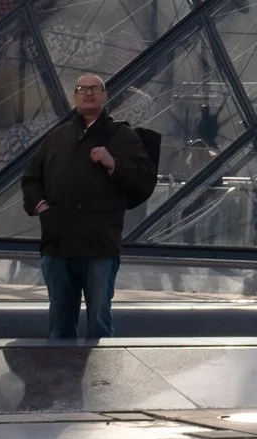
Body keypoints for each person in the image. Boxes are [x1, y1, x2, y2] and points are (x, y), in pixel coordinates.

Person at [22, 72, 158, 342]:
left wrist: (114, 164)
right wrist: (41, 208)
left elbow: (145, 179)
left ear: (105, 96)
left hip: (99, 244)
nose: (88, 93)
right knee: (59, 323)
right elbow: (31, 179)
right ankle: (59, 382)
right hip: (58, 242)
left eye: (95, 89)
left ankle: (100, 381)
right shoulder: (56, 136)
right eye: (82, 89)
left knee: (99, 323)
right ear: (74, 96)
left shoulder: (121, 135)